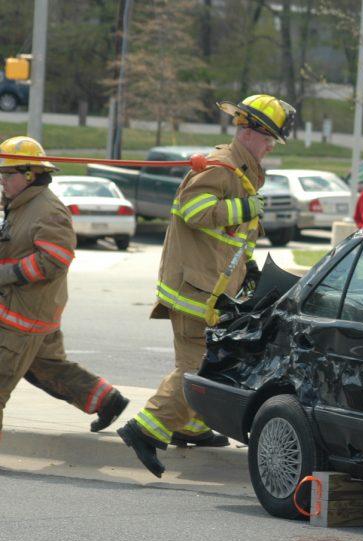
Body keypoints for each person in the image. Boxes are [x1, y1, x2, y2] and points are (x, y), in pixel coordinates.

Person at [118, 94, 295, 477]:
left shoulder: (243, 170)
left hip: (209, 287)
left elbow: (231, 236)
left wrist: (246, 266)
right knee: (197, 366)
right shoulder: (222, 168)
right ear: (249, 132)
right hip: (194, 290)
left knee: (202, 362)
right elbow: (192, 211)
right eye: (268, 139)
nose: (269, 147)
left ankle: (192, 425)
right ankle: (146, 429)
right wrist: (243, 209)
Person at [0, 136, 130, 440]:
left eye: (8, 174)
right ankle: (106, 400)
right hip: (23, 311)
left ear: (30, 175)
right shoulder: (20, 205)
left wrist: (5, 274)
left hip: (24, 315)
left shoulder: (48, 211)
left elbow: (54, 260)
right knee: (47, 368)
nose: (2, 180)